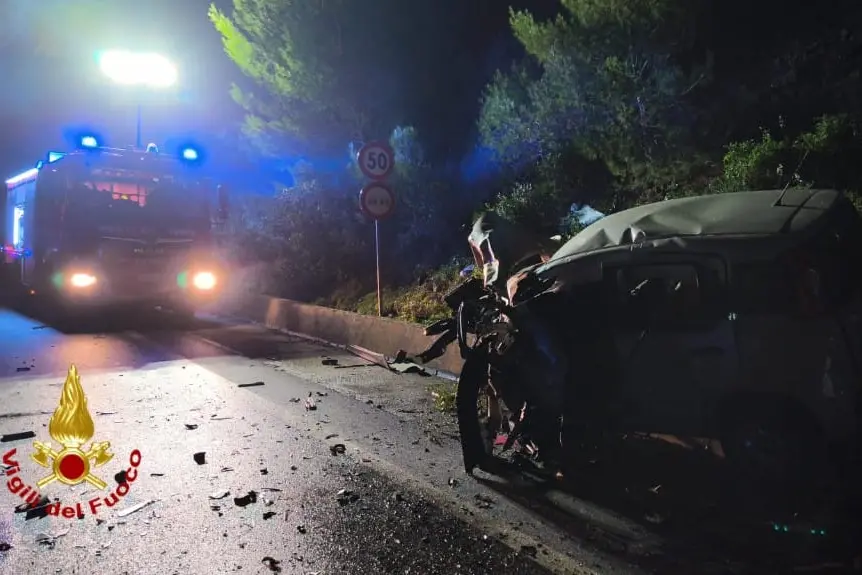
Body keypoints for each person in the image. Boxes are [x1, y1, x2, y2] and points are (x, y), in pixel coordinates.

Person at [467, 212, 567, 473]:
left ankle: (524, 432)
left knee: (518, 372)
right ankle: (526, 433)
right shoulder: (518, 244)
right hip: (523, 314)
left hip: (523, 314)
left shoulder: (488, 238)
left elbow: (496, 280)